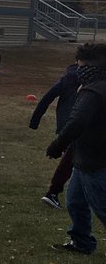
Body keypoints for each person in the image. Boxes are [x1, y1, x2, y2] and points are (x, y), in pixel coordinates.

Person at [46, 42, 106, 255]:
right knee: (75, 201)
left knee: (102, 206)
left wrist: (56, 146)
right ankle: (82, 241)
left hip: (94, 160)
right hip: (84, 160)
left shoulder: (93, 92)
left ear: (91, 67)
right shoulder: (97, 87)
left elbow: (76, 122)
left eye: (80, 65)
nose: (77, 69)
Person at [30, 60, 81, 209]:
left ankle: (55, 193)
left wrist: (35, 121)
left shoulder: (66, 79)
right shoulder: (94, 80)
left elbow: (47, 98)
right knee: (73, 162)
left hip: (65, 126)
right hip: (80, 126)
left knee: (73, 162)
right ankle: (53, 193)